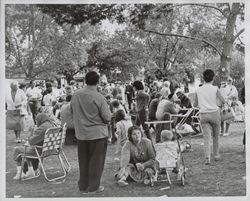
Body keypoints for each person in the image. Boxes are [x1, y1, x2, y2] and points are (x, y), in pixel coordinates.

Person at [70, 71, 111, 194]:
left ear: (85, 80)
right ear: (98, 82)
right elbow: (107, 117)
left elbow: (72, 111)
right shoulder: (99, 97)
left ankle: (83, 185)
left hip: (81, 133)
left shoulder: (75, 95)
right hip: (97, 134)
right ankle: (93, 187)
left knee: (83, 161)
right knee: (96, 162)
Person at [193, 69, 226, 164]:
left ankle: (207, 157)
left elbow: (195, 104)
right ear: (213, 78)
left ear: (203, 78)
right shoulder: (215, 89)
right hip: (215, 113)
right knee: (216, 136)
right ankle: (216, 155)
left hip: (203, 114)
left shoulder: (198, 90)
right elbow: (223, 101)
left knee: (206, 137)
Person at [13, 113, 55, 180]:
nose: (36, 122)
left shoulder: (42, 128)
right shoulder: (51, 125)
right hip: (50, 149)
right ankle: (30, 171)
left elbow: (32, 141)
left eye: (36, 120)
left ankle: (19, 173)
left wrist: (32, 132)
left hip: (39, 150)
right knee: (27, 150)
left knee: (17, 149)